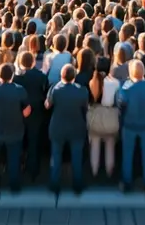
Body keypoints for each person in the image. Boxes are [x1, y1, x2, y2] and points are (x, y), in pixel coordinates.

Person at [0, 62, 30, 193]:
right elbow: (26, 112)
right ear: (12, 75)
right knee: (14, 159)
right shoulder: (20, 90)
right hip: (14, 130)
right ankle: (14, 186)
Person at [46, 63, 89, 195]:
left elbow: (47, 105)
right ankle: (77, 185)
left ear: (61, 76)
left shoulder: (55, 89)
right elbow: (86, 107)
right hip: (76, 127)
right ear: (74, 76)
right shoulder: (82, 90)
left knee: (56, 156)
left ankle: (55, 185)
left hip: (58, 128)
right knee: (76, 157)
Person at [117, 59, 145, 193]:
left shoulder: (125, 89)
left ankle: (127, 183)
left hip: (129, 125)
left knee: (127, 155)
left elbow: (120, 106)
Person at [14, 50, 48, 181]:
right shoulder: (41, 76)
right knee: (34, 142)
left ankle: (19, 167)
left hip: (20, 112)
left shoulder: (17, 78)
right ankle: (33, 171)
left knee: (19, 141)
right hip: (37, 112)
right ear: (33, 62)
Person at [86, 61, 120, 180]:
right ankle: (109, 173)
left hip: (95, 116)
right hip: (110, 116)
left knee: (94, 145)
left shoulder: (92, 82)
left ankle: (94, 172)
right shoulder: (115, 83)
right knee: (110, 145)